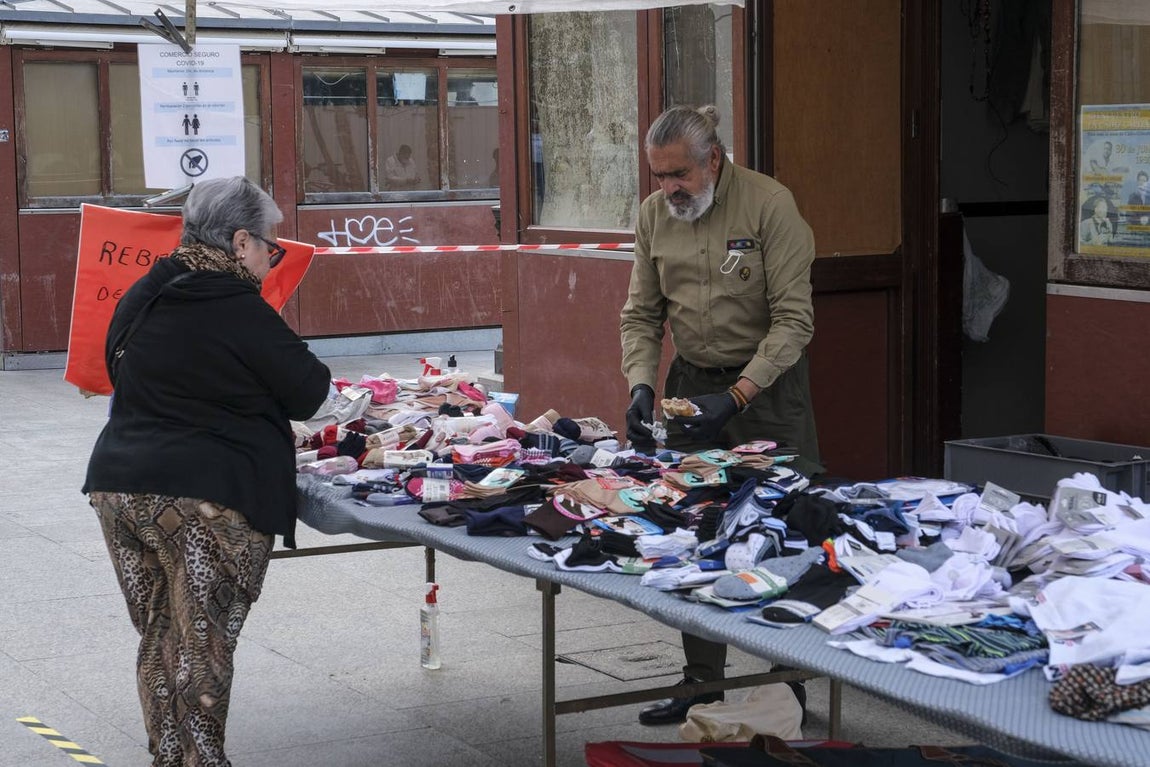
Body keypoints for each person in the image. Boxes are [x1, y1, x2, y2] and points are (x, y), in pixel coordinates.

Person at [83, 176, 331, 766]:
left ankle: (170, 759)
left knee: (160, 637)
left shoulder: (144, 292)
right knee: (201, 648)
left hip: (120, 487)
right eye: (269, 245)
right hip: (203, 499)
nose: (272, 257)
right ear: (240, 241)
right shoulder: (238, 305)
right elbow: (310, 391)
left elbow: (123, 374)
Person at [619, 105, 821, 726]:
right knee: (696, 528)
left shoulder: (768, 205)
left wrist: (738, 397)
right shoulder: (655, 216)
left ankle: (787, 681)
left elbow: (795, 320)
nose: (668, 189)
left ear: (713, 159)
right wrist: (639, 388)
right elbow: (640, 314)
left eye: (678, 174)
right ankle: (702, 680)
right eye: (658, 176)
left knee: (784, 526)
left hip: (767, 390)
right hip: (689, 385)